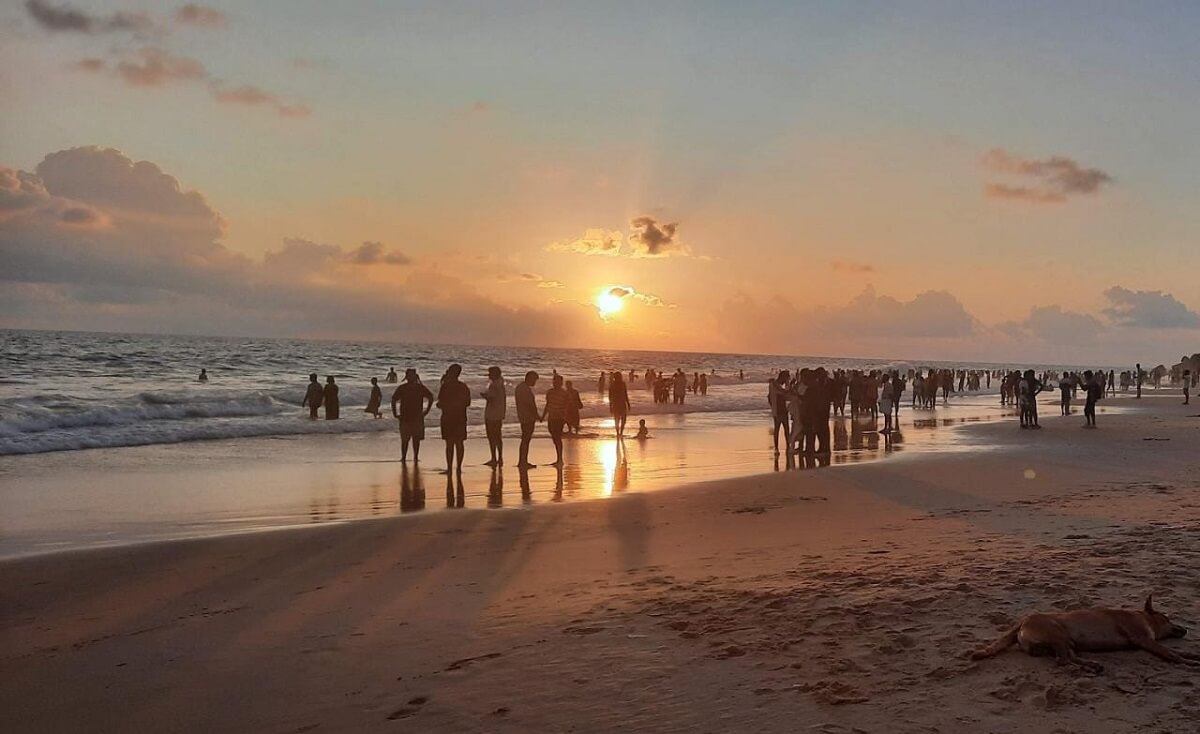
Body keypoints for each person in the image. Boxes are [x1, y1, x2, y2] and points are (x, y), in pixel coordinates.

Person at [392, 369, 433, 462]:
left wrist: (426, 411)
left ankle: (412, 457)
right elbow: (393, 400)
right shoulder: (416, 387)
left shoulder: (413, 388)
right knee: (408, 440)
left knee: (413, 439)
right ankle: (406, 457)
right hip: (409, 417)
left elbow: (431, 397)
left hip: (413, 417)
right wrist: (395, 413)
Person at [436, 364, 471, 473]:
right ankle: (459, 468)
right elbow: (467, 403)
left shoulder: (446, 386)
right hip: (460, 418)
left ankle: (450, 468)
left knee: (449, 444)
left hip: (448, 418)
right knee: (459, 443)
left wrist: (444, 405)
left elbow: (440, 402)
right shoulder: (463, 386)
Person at [541, 374, 569, 467]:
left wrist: (566, 418)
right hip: (551, 417)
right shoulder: (550, 392)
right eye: (554, 381)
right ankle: (559, 458)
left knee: (557, 437)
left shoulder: (564, 393)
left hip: (559, 418)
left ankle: (560, 459)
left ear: (561, 383)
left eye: (557, 381)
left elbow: (567, 406)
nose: (555, 383)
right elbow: (547, 405)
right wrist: (543, 416)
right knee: (554, 437)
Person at [481, 366, 506, 467]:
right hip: (499, 413)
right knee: (498, 437)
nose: (489, 375)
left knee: (491, 437)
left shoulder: (494, 385)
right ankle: (499, 457)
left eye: (490, 373)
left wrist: (484, 396)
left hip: (492, 414)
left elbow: (491, 399)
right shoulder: (500, 383)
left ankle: (494, 458)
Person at [515, 371, 540, 468]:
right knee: (526, 439)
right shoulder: (525, 389)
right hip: (528, 417)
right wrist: (537, 415)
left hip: (523, 416)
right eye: (534, 380)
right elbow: (530, 405)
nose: (535, 383)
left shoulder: (520, 387)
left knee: (525, 439)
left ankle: (522, 460)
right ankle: (523, 461)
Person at [769, 370, 790, 455]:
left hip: (782, 409)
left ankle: (788, 446)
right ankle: (777, 448)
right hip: (778, 410)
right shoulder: (774, 385)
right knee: (778, 429)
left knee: (786, 429)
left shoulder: (775, 385)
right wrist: (788, 385)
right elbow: (783, 393)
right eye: (786, 378)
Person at [608, 371, 632, 437]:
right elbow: (625, 394)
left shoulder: (613, 385)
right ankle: (619, 432)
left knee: (618, 419)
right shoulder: (620, 384)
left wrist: (610, 406)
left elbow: (610, 397)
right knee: (621, 419)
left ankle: (619, 432)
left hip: (617, 404)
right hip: (620, 403)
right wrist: (628, 403)